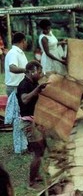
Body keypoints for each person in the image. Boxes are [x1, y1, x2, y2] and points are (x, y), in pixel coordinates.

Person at [16, 61, 49, 189]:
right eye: (39, 72)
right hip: (28, 122)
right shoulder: (24, 85)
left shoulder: (33, 83)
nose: (40, 74)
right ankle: (31, 182)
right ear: (31, 71)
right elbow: (24, 99)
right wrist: (37, 90)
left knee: (42, 147)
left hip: (35, 120)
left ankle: (36, 175)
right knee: (37, 151)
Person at [4, 32, 28, 97]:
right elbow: (12, 68)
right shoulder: (13, 53)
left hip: (19, 86)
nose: (27, 43)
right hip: (14, 88)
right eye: (26, 41)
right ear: (23, 41)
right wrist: (27, 70)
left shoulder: (19, 52)